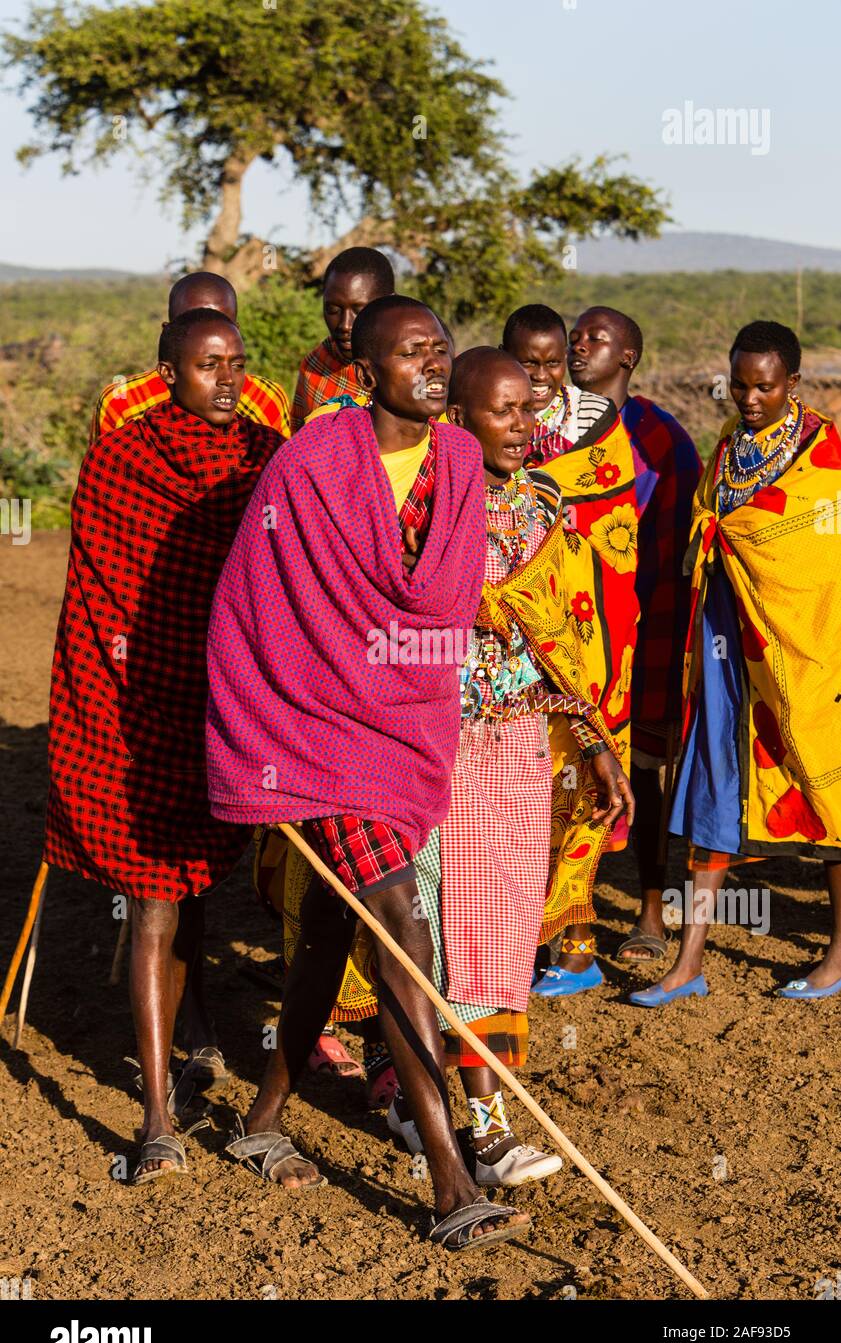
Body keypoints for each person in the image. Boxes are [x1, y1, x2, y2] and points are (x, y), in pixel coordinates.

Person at [207, 295, 531, 1250]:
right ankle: (448, 1182)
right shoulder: (310, 461)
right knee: (400, 925)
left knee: (322, 943)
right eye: (413, 354)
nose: (434, 367)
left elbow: (444, 603)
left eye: (441, 351)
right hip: (311, 733)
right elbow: (254, 600)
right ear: (366, 368)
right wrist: (268, 724)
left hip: (401, 732)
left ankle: (262, 1120)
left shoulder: (461, 462)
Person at [45, 309, 282, 1181]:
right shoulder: (121, 459)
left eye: (236, 365)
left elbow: (281, 576)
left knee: (192, 888)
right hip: (142, 710)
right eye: (207, 365)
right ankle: (155, 1119)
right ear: (167, 372)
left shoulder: (264, 457)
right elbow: (97, 601)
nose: (226, 380)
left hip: (228, 701)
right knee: (152, 897)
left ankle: (201, 1042)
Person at [386, 347, 633, 1185]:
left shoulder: (543, 512)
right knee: (431, 928)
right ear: (456, 419)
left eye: (531, 410)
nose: (525, 428)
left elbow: (562, 640)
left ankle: (471, 1115)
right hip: (431, 751)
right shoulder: (416, 513)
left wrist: (594, 743)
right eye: (503, 413)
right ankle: (463, 1123)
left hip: (520, 743)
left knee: (498, 933)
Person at [633, 320, 841, 1006]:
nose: (748, 398)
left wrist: (748, 545)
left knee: (819, 781)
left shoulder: (824, 453)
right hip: (725, 639)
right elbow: (711, 525)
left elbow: (817, 554)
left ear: (793, 384)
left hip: (802, 648)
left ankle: (838, 952)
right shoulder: (728, 446)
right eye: (740, 384)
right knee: (713, 775)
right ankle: (688, 958)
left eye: (764, 386)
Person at [501, 305, 641, 995]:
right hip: (519, 639)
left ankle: (579, 945)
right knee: (526, 786)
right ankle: (521, 938)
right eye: (524, 363)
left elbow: (614, 535)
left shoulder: (600, 433)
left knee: (582, 782)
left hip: (589, 641)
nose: (538, 375)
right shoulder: (490, 421)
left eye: (550, 362)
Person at [566, 306, 703, 962]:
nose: (578, 347)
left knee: (643, 768)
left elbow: (679, 551)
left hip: (641, 626)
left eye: (596, 339)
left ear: (627, 357)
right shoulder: (545, 429)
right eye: (575, 336)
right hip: (561, 628)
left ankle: (648, 909)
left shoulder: (662, 439)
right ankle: (568, 917)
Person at [89, 271, 291, 442]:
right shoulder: (123, 400)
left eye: (220, 323)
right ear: (167, 332)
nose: (227, 379)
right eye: (189, 324)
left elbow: (279, 478)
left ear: (236, 330)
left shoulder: (266, 399)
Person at [290, 246, 395, 430]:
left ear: (390, 304)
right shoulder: (316, 367)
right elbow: (301, 447)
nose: (345, 325)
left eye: (359, 310)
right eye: (333, 310)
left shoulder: (417, 364)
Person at [501, 303, 614, 457]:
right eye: (528, 363)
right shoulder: (484, 413)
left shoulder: (593, 415)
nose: (541, 376)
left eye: (553, 363)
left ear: (565, 356)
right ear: (503, 356)